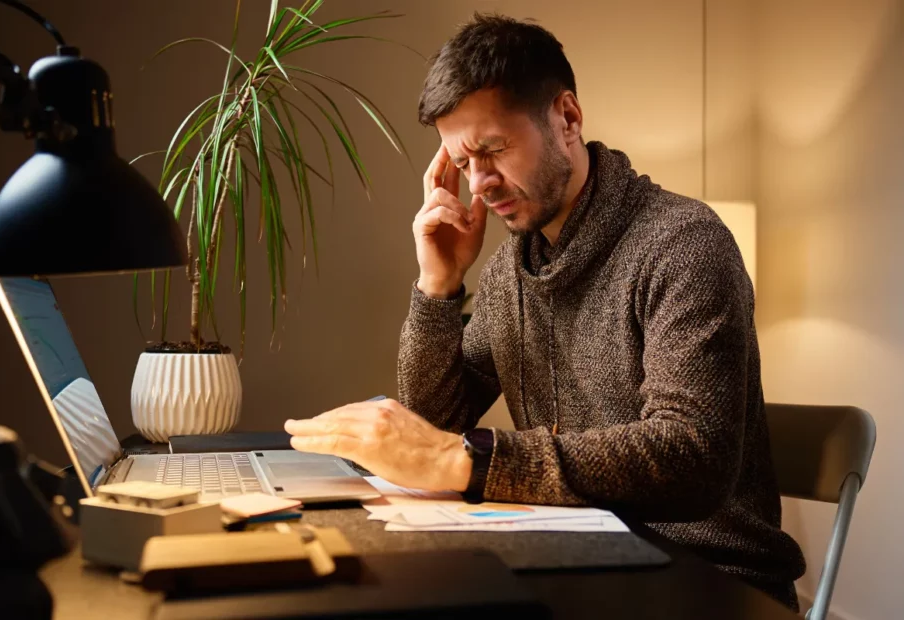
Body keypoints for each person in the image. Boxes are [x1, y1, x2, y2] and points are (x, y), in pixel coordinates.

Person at [284, 13, 806, 610]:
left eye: (494, 150)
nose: (478, 183)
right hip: (576, 559)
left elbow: (692, 456)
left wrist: (464, 459)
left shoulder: (683, 243)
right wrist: (438, 286)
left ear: (567, 119)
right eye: (463, 162)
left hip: (708, 581)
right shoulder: (512, 269)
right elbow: (435, 424)